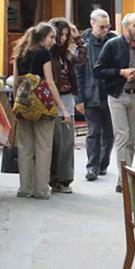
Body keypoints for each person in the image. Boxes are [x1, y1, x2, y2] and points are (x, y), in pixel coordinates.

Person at [94, 13, 135, 192]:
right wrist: (121, 72)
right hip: (118, 95)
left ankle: (128, 173)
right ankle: (123, 180)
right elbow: (98, 70)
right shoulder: (113, 45)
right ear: (126, 28)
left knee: (131, 138)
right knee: (122, 135)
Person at [12, 23, 70, 199]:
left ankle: (25, 188)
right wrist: (63, 108)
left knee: (25, 148)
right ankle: (41, 189)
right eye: (51, 37)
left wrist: (17, 103)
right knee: (44, 147)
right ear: (42, 37)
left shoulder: (20, 53)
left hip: (23, 104)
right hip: (42, 106)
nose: (54, 41)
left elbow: (15, 82)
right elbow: (50, 82)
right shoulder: (44, 53)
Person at [76, 10, 116, 181]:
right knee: (94, 132)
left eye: (107, 26)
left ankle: (103, 164)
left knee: (109, 132)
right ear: (92, 24)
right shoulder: (83, 45)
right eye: (101, 27)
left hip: (111, 94)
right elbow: (78, 72)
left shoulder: (114, 42)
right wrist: (79, 98)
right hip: (91, 92)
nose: (105, 30)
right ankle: (92, 166)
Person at [48, 19, 86, 193]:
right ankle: (54, 178)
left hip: (67, 98)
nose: (63, 39)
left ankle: (65, 179)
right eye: (60, 35)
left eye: (65, 35)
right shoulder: (48, 54)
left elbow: (82, 60)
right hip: (53, 99)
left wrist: (78, 40)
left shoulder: (66, 55)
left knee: (67, 141)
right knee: (56, 141)